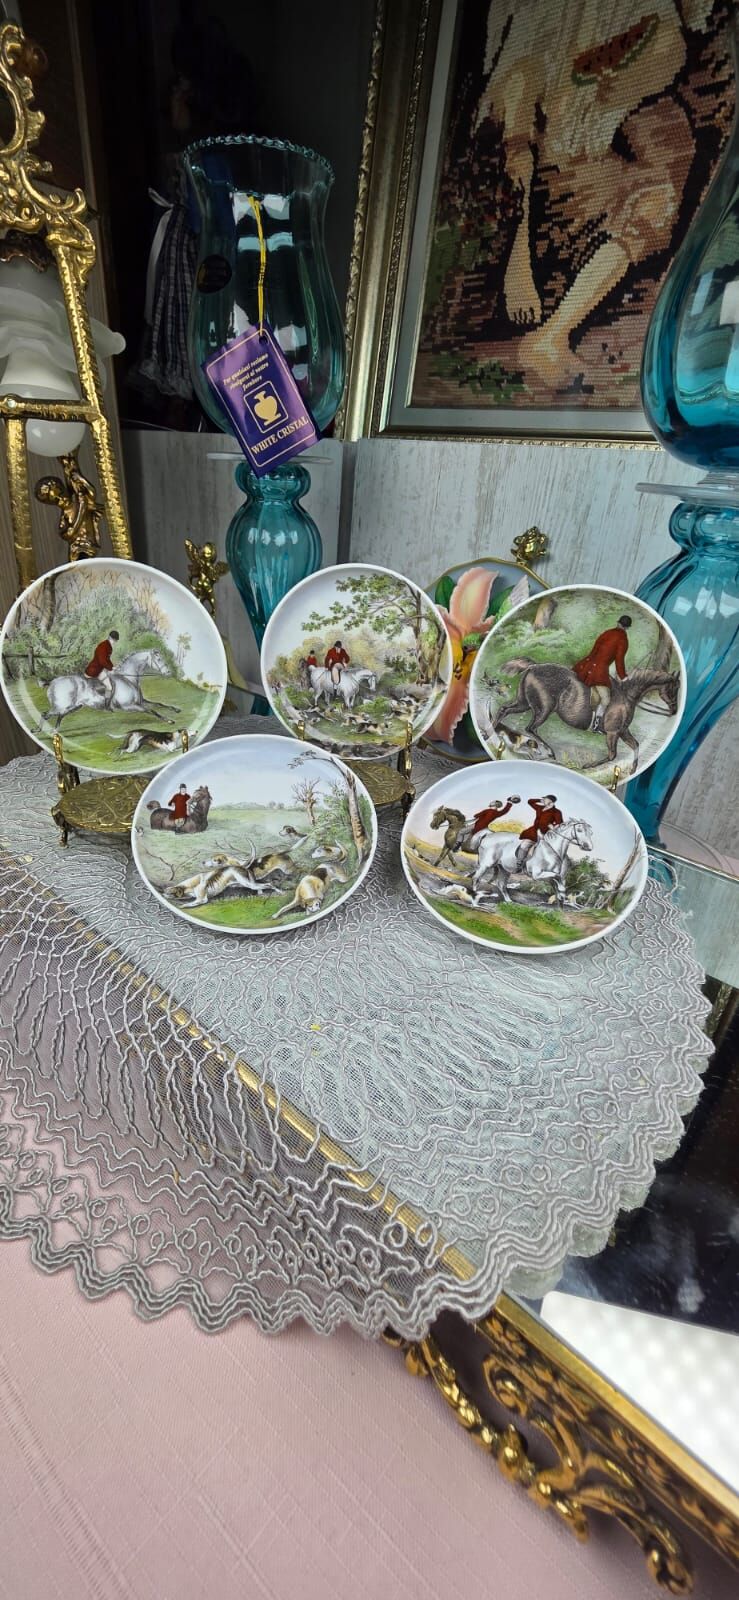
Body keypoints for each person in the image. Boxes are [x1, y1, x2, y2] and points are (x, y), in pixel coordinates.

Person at [573, 614, 631, 731]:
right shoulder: (623, 639)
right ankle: (597, 726)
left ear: (618, 623)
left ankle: (590, 724)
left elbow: (594, 651)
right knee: (606, 699)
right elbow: (619, 660)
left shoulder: (607, 633)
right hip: (599, 671)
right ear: (627, 627)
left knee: (595, 697)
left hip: (588, 666)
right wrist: (623, 677)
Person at [515, 794, 563, 868]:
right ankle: (519, 862)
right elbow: (530, 802)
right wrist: (539, 800)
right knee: (524, 845)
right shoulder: (540, 808)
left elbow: (560, 824)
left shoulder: (556, 812)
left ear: (550, 801)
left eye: (545, 799)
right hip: (533, 831)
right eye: (543, 799)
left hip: (546, 833)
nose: (543, 800)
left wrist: (552, 825)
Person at [85, 629, 120, 705]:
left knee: (110, 682)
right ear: (110, 638)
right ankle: (106, 705)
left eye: (115, 640)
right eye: (114, 640)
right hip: (94, 670)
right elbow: (102, 661)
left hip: (100, 669)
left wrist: (112, 667)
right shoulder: (103, 646)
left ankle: (106, 702)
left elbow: (107, 659)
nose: (114, 642)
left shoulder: (108, 646)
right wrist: (110, 668)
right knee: (109, 687)